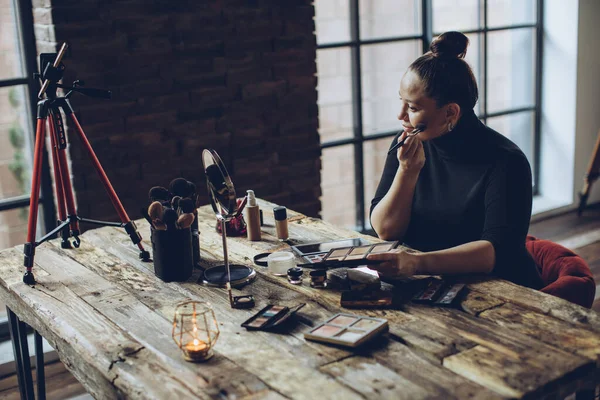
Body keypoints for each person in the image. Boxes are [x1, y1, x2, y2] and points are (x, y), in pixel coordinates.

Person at [366, 31, 544, 289]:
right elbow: (385, 230)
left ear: (451, 112)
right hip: (430, 284)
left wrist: (417, 263)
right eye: (401, 102)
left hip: (499, 289)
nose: (400, 115)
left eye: (413, 108)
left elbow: (496, 251)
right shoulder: (408, 147)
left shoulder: (507, 162)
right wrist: (407, 170)